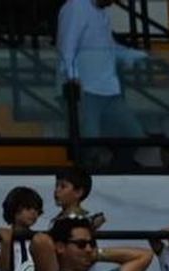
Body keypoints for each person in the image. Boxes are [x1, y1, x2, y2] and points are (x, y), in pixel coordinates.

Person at [57, 0, 148, 168]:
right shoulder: (76, 7)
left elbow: (109, 48)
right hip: (83, 89)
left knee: (133, 134)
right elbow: (66, 46)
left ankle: (116, 172)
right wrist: (72, 77)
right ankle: (87, 181)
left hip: (108, 89)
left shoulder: (102, 14)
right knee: (88, 141)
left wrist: (137, 55)